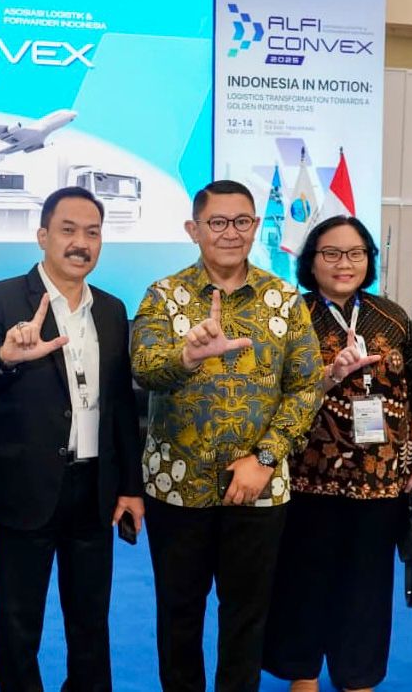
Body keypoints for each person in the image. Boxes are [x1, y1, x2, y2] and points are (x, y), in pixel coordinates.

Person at [130, 179, 324, 692]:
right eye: (217, 222)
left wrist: (266, 457)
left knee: (246, 616)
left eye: (241, 221)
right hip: (177, 485)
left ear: (256, 227)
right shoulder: (163, 295)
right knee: (178, 614)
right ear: (194, 229)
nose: (230, 233)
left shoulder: (284, 298)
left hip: (259, 487)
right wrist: (186, 356)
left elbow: (306, 386)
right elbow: (144, 368)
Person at [0, 186, 143, 692]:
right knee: (20, 624)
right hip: (26, 486)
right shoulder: (0, 297)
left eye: (92, 232)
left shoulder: (111, 309)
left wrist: (130, 486)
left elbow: (120, 405)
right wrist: (5, 357)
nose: (81, 243)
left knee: (91, 620)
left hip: (93, 487)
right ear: (42, 236)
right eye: (68, 230)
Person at [262, 216, 412, 692]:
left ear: (369, 260)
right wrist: (327, 376)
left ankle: (357, 675)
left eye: (356, 253)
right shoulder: (289, 316)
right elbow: (269, 394)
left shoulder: (393, 317)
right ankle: (302, 673)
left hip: (381, 480)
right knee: (302, 577)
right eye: (332, 253)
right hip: (304, 476)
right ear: (311, 261)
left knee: (367, 584)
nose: (345, 263)